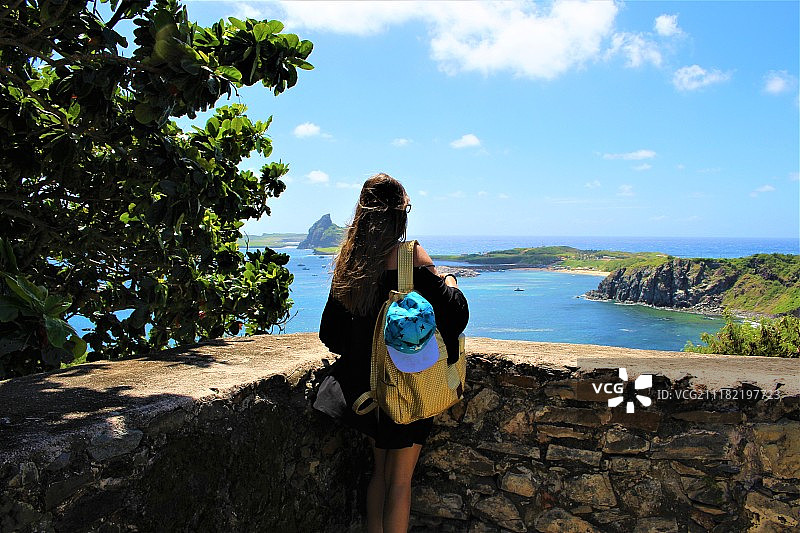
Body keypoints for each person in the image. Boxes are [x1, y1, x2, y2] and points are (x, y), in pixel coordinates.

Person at [319, 173, 469, 533]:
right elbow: (456, 315)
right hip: (406, 386)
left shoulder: (350, 261)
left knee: (380, 475)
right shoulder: (409, 257)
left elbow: (331, 335)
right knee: (400, 482)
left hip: (366, 392)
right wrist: (445, 278)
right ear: (401, 213)